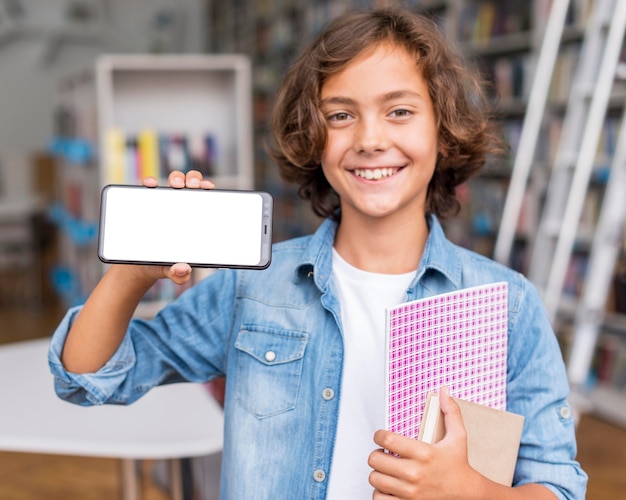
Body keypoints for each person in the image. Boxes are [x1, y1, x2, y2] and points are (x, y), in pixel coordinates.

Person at [49, 7, 587, 500]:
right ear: (312, 135)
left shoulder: (506, 304)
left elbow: (558, 486)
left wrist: (474, 492)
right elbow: (89, 378)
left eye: (399, 111)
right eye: (340, 116)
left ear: (443, 130)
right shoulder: (253, 289)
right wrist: (130, 275)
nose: (370, 139)